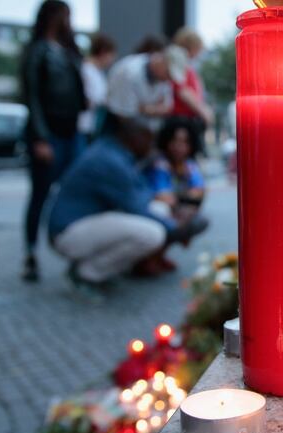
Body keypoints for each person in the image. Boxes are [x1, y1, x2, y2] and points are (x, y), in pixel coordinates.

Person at [47, 114, 208, 301]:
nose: (151, 147)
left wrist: (172, 216)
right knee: (152, 233)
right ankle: (86, 274)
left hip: (81, 224)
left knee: (159, 212)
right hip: (68, 233)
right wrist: (176, 226)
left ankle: (104, 269)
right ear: (135, 138)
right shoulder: (109, 161)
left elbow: (143, 197)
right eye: (149, 140)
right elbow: (137, 206)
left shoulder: (113, 152)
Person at [20, 0, 86, 282]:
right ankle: (30, 254)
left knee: (74, 193)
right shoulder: (37, 51)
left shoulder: (69, 50)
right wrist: (40, 137)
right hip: (49, 135)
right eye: (64, 15)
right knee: (40, 195)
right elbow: (32, 97)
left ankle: (76, 251)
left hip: (72, 133)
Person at [143, 119, 207, 269]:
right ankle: (149, 258)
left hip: (176, 211)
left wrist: (178, 200)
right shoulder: (158, 162)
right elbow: (161, 196)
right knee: (165, 212)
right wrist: (185, 199)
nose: (179, 147)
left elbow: (199, 192)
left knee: (197, 219)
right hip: (152, 213)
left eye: (185, 142)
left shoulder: (189, 166)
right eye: (175, 141)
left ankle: (158, 256)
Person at [105, 44, 187, 132]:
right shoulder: (130, 73)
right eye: (168, 74)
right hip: (115, 127)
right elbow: (124, 116)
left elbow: (167, 107)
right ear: (162, 61)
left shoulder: (163, 79)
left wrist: (144, 108)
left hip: (141, 129)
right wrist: (154, 108)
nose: (169, 80)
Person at [78, 33, 117, 139]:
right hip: (83, 124)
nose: (112, 60)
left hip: (91, 124)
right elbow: (95, 97)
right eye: (111, 55)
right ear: (103, 52)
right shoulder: (86, 69)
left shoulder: (98, 72)